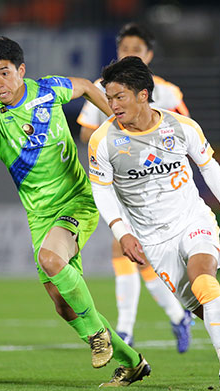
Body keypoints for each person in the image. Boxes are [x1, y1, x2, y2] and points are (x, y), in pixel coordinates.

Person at [88, 56, 220, 391]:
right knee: (209, 310)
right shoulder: (104, 140)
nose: (113, 105)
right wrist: (122, 233)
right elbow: (102, 190)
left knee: (205, 283)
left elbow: (208, 165)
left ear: (143, 94)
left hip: (192, 221)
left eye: (119, 96)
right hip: (153, 240)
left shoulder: (181, 127)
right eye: (109, 98)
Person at [0, 35, 150, 387]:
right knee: (63, 304)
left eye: (4, 73)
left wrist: (119, 124)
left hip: (77, 200)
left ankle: (96, 334)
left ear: (21, 70)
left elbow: (86, 87)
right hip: (39, 215)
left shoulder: (49, 90)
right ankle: (132, 363)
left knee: (51, 260)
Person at [77, 22, 192, 353]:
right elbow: (85, 132)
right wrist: (115, 132)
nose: (130, 53)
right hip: (120, 182)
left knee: (137, 255)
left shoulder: (167, 92)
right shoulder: (101, 88)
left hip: (159, 187)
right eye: (125, 48)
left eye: (137, 50)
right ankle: (166, 319)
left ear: (149, 55)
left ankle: (140, 325)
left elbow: (185, 132)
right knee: (131, 253)